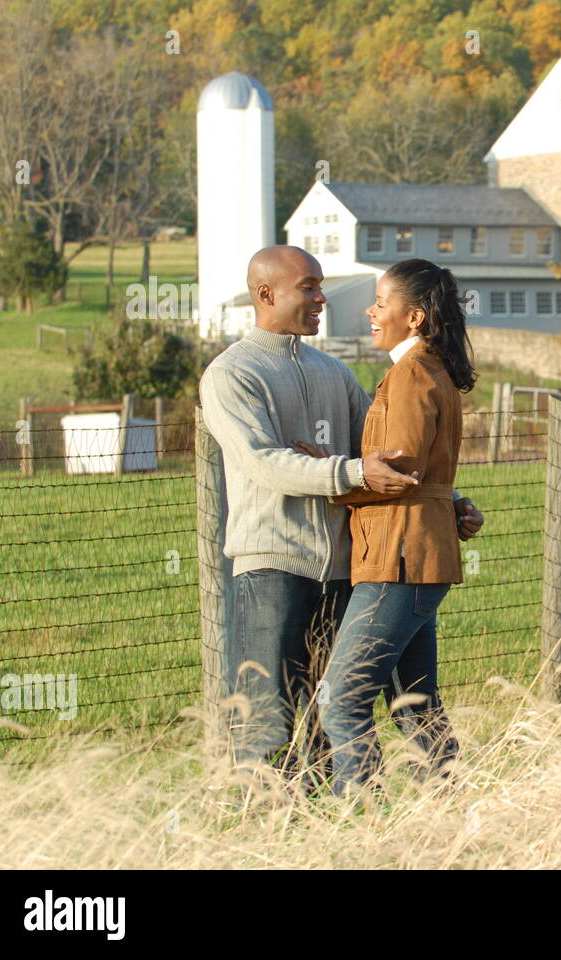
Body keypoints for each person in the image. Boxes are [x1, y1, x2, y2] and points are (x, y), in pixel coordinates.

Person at [199, 246, 484, 787]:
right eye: (309, 286)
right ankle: (272, 831)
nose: (322, 297)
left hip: (347, 570)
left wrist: (446, 502)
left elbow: (387, 458)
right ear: (267, 293)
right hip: (274, 565)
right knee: (271, 720)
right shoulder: (231, 374)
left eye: (320, 285)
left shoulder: (336, 372)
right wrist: (345, 474)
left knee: (328, 720)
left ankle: (345, 832)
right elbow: (263, 463)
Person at [313, 258, 474, 795]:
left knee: (341, 699)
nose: (371, 311)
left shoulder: (411, 374)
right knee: (416, 706)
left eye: (382, 303)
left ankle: (364, 821)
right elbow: (423, 472)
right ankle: (451, 817)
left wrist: (324, 473)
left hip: (398, 559)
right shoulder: (433, 370)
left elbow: (397, 474)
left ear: (415, 317)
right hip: (421, 557)